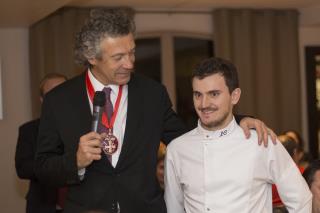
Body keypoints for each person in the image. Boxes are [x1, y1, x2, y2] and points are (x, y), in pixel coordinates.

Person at [35, 9, 275, 213]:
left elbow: (187, 138)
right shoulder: (59, 101)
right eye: (118, 57)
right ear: (91, 56)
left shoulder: (151, 94)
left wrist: (237, 120)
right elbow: (42, 168)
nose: (129, 63)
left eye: (132, 52)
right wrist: (75, 161)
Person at [164, 57, 312, 213]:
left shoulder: (261, 142)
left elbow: (301, 199)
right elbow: (174, 209)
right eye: (198, 95)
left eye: (214, 94)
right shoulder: (177, 149)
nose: (204, 104)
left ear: (234, 96)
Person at [15, 73, 67, 213]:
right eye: (52, 94)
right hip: (43, 206)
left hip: (79, 206)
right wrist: (57, 163)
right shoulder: (29, 130)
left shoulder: (84, 126)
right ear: (42, 100)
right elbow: (23, 168)